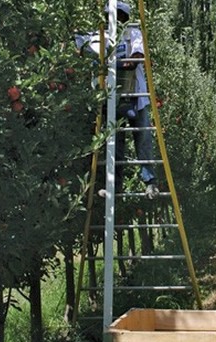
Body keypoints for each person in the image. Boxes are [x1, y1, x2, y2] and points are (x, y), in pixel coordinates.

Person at [75, 1, 159, 199]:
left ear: (125, 17)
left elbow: (136, 57)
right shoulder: (101, 36)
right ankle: (115, 186)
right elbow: (82, 46)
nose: (114, 20)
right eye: (110, 16)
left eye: (118, 15)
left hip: (136, 96)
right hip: (111, 98)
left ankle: (150, 182)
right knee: (115, 143)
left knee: (143, 138)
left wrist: (113, 65)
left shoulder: (132, 33)